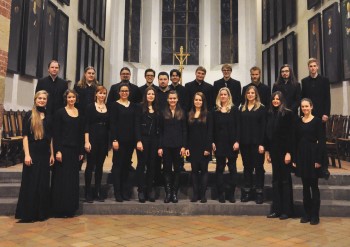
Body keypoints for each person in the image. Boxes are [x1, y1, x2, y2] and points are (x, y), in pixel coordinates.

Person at [15, 91, 54, 222]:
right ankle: (28, 213)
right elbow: (25, 137)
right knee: (31, 183)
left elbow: (51, 138)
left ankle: (40, 213)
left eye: (44, 99)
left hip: (45, 153)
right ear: (35, 99)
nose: (42, 101)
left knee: (42, 183)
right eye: (40, 98)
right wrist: (26, 154)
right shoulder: (29, 115)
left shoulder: (48, 115)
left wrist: (52, 154)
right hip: (32, 151)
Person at [51, 89, 84, 217]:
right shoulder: (60, 113)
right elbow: (56, 133)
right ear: (66, 98)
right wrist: (57, 150)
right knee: (61, 180)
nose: (71, 99)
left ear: (76, 98)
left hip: (75, 151)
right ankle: (59, 209)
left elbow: (81, 133)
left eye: (73, 97)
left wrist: (81, 150)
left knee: (72, 180)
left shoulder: (79, 113)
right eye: (69, 97)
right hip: (63, 150)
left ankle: (70, 209)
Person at [295, 98, 326, 225]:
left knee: (314, 186)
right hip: (302, 155)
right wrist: (296, 159)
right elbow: (296, 141)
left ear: (311, 107)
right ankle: (306, 214)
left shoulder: (317, 122)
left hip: (313, 156)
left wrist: (319, 160)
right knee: (305, 187)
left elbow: (322, 142)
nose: (305, 109)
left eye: (307, 106)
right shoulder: (299, 121)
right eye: (303, 107)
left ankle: (315, 215)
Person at [265, 91, 295, 220]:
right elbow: (268, 134)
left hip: (285, 152)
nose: (275, 101)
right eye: (274, 99)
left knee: (285, 180)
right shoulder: (270, 114)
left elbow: (291, 135)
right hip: (274, 151)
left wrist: (289, 152)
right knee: (275, 181)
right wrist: (268, 152)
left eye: (278, 99)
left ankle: (286, 210)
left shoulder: (288, 113)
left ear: (282, 100)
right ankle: (276, 210)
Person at [110, 83, 139, 202]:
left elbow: (136, 124)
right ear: (119, 92)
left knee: (127, 166)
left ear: (129, 92)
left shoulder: (133, 106)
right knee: (118, 166)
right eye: (122, 91)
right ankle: (118, 192)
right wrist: (114, 139)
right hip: (119, 141)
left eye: (126, 91)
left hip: (130, 141)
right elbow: (113, 124)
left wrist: (137, 140)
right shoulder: (114, 105)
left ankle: (125, 191)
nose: (124, 93)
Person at [158, 91, 187, 203]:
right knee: (167, 169)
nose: (172, 100)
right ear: (167, 99)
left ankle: (174, 193)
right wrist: (160, 147)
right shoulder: (163, 112)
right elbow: (160, 131)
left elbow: (185, 130)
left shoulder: (182, 112)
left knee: (177, 170)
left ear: (177, 99)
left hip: (178, 146)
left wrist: (184, 146)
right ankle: (168, 193)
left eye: (174, 98)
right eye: (170, 98)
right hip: (166, 145)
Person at [212, 87, 240, 203]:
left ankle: (231, 193)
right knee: (219, 168)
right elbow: (212, 128)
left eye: (225, 94)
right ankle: (221, 193)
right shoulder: (215, 110)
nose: (223, 96)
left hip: (231, 142)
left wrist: (237, 141)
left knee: (232, 168)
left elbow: (238, 127)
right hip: (219, 143)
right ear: (219, 96)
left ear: (229, 96)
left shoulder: (234, 110)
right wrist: (212, 142)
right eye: (221, 94)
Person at [239, 86, 266, 204]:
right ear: (245, 95)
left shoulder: (261, 108)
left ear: (256, 94)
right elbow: (239, 126)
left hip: (257, 143)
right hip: (245, 143)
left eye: (252, 93)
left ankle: (259, 192)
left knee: (259, 168)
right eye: (248, 93)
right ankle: (247, 192)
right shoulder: (242, 108)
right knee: (247, 168)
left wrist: (262, 144)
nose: (250, 94)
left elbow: (264, 128)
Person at [185, 92, 212, 203]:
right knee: (194, 171)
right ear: (193, 101)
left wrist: (208, 148)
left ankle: (203, 195)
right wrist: (186, 147)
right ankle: (195, 194)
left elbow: (210, 132)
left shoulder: (208, 114)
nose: (198, 102)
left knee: (204, 171)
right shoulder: (189, 114)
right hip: (192, 147)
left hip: (204, 146)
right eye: (196, 100)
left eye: (200, 100)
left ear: (203, 102)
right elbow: (186, 132)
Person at [84, 86, 109, 203]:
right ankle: (88, 191)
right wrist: (87, 141)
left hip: (103, 140)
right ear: (96, 94)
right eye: (100, 93)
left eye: (104, 93)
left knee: (100, 166)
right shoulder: (90, 107)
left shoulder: (107, 107)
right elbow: (86, 125)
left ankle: (97, 191)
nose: (102, 95)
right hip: (92, 138)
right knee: (90, 166)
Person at [136, 87, 160, 203]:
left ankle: (150, 190)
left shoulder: (157, 109)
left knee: (152, 165)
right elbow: (136, 125)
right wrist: (138, 140)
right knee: (141, 165)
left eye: (153, 94)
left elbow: (159, 127)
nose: (151, 95)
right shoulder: (139, 107)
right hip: (143, 139)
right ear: (145, 95)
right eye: (149, 94)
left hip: (154, 140)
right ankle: (141, 190)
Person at [301, 58, 331, 123]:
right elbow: (303, 98)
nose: (313, 68)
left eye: (314, 66)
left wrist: (326, 113)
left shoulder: (324, 80)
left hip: (321, 114)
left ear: (317, 67)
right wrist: (302, 114)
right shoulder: (304, 81)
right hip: (308, 113)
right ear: (308, 68)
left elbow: (327, 98)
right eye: (311, 66)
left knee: (320, 132)